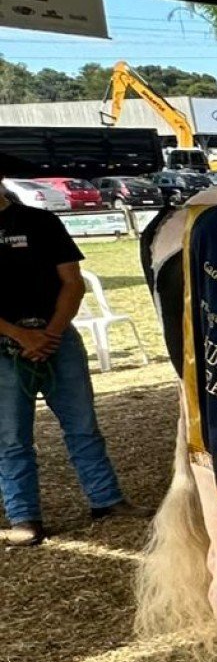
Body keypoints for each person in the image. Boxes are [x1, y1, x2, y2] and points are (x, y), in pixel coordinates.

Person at [0, 183, 135, 546]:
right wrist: (19, 335)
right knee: (11, 439)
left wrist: (51, 334)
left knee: (84, 426)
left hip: (57, 339)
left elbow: (72, 283)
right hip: (6, 347)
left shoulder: (41, 222)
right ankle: (24, 516)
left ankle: (106, 500)